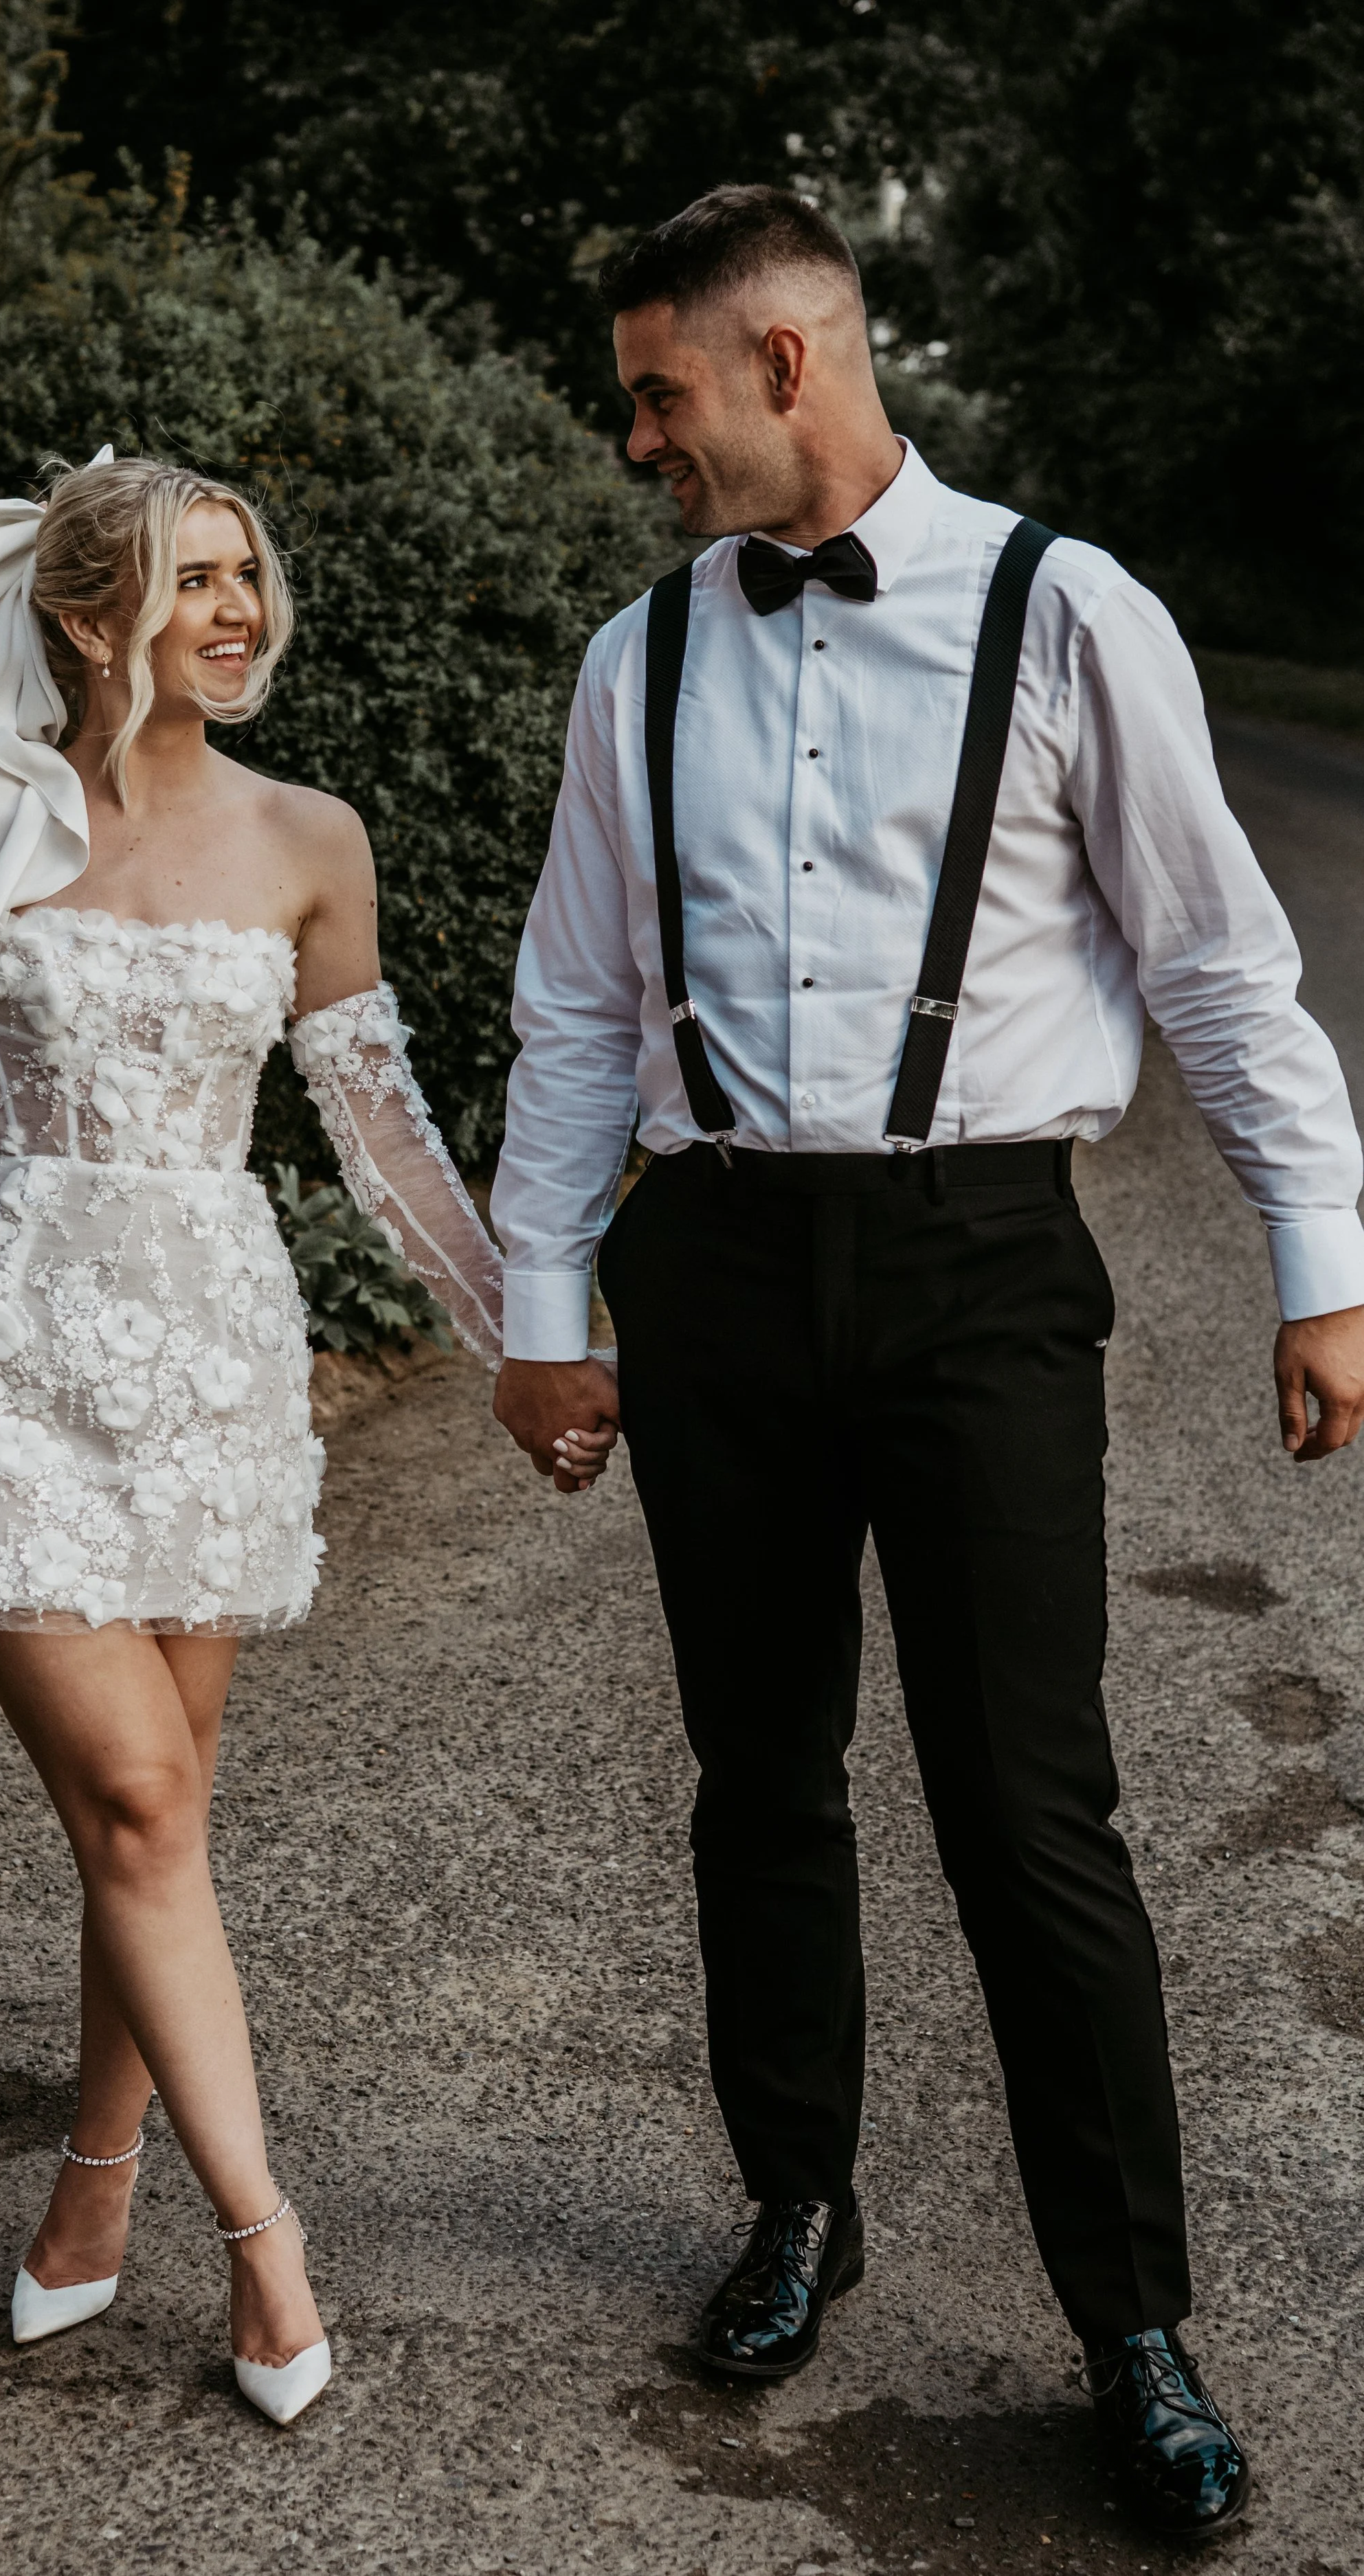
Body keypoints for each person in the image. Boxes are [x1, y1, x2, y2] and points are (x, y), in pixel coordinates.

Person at [490, 185, 1364, 2538]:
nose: (637, 444)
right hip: (722, 1271)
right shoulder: (630, 661)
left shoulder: (1066, 611)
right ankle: (796, 2202)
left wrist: (1319, 1252)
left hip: (984, 1259)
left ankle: (1133, 2320)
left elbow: (1213, 958)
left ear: (788, 365)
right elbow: (573, 1010)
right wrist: (549, 1312)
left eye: (657, 397)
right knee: (755, 1773)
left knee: (1024, 1803)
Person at [0, 449, 613, 2426]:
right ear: (95, 615)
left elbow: (378, 1132)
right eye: (194, 577)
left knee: (148, 1816)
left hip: (205, 1363)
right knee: (143, 1810)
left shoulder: (309, 838)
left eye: (250, 571)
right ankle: (268, 2255)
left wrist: (527, 1338)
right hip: (2, 1338)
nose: (242, 607)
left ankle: (94, 2187)